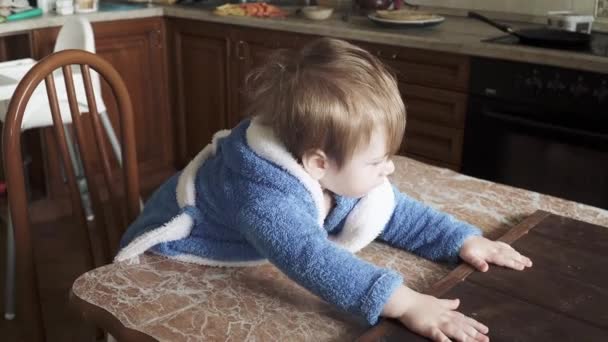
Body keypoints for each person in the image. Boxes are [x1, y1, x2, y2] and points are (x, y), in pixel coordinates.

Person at [115, 37, 532, 342]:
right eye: (376, 161)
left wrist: (462, 240)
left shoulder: (327, 160)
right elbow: (308, 256)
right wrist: (405, 303)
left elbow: (391, 210)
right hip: (174, 254)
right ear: (318, 164)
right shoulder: (263, 198)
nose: (389, 168)